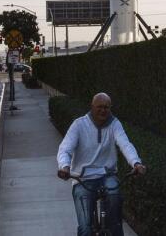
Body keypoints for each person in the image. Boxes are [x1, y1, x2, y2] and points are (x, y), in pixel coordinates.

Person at [56, 93, 146, 236]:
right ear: (92, 107)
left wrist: (136, 163)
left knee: (115, 217)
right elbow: (65, 149)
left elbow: (125, 144)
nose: (103, 110)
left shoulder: (114, 124)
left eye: (106, 107)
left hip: (107, 176)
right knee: (85, 229)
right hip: (83, 179)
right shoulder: (79, 125)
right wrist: (64, 167)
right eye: (99, 107)